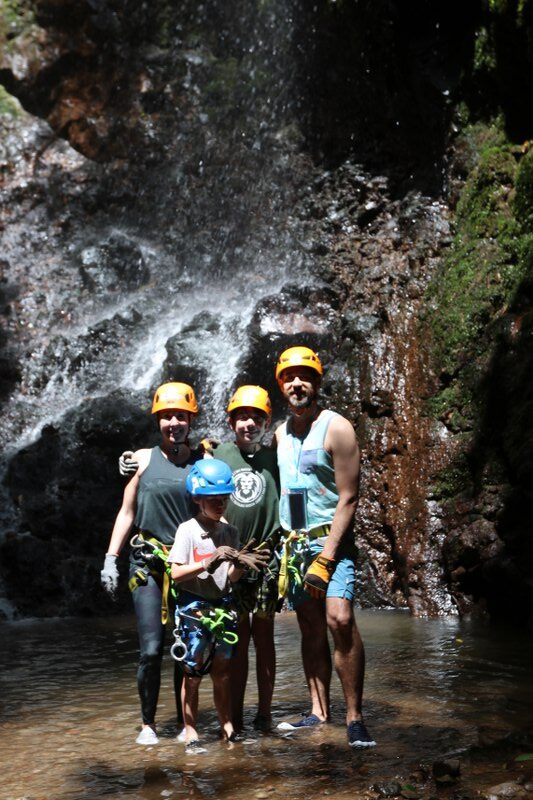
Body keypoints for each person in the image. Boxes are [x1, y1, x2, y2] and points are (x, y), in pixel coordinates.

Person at [273, 346, 376, 748]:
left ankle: (354, 717)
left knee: (339, 619)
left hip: (331, 543)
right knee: (310, 627)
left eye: (305, 376)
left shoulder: (337, 428)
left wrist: (329, 554)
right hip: (294, 546)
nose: (297, 383)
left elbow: (349, 497)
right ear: (280, 385)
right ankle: (318, 711)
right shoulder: (280, 434)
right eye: (289, 377)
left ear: (317, 382)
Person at [100, 381, 203, 746]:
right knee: (150, 649)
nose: (173, 422)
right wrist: (111, 559)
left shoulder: (202, 461)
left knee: (185, 645)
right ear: (158, 420)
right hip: (147, 563)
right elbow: (127, 512)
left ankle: (185, 722)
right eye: (166, 416)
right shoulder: (143, 459)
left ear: (191, 418)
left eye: (180, 416)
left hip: (187, 565)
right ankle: (148, 723)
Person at [168, 459, 270, 750]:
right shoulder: (187, 531)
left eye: (224, 499)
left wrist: (239, 564)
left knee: (222, 671)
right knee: (193, 671)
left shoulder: (230, 533)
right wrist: (208, 561)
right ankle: (190, 729)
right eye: (214, 500)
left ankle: (227, 725)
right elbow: (176, 574)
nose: (221, 505)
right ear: (198, 499)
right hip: (194, 610)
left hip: (223, 608)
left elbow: (232, 578)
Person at [212, 385, 281, 733]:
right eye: (241, 417)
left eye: (256, 417)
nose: (249, 423)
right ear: (231, 421)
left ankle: (265, 714)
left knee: (264, 637)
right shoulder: (218, 454)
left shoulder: (275, 456)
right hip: (233, 560)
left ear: (267, 422)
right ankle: (234, 717)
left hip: (267, 559)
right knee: (237, 637)